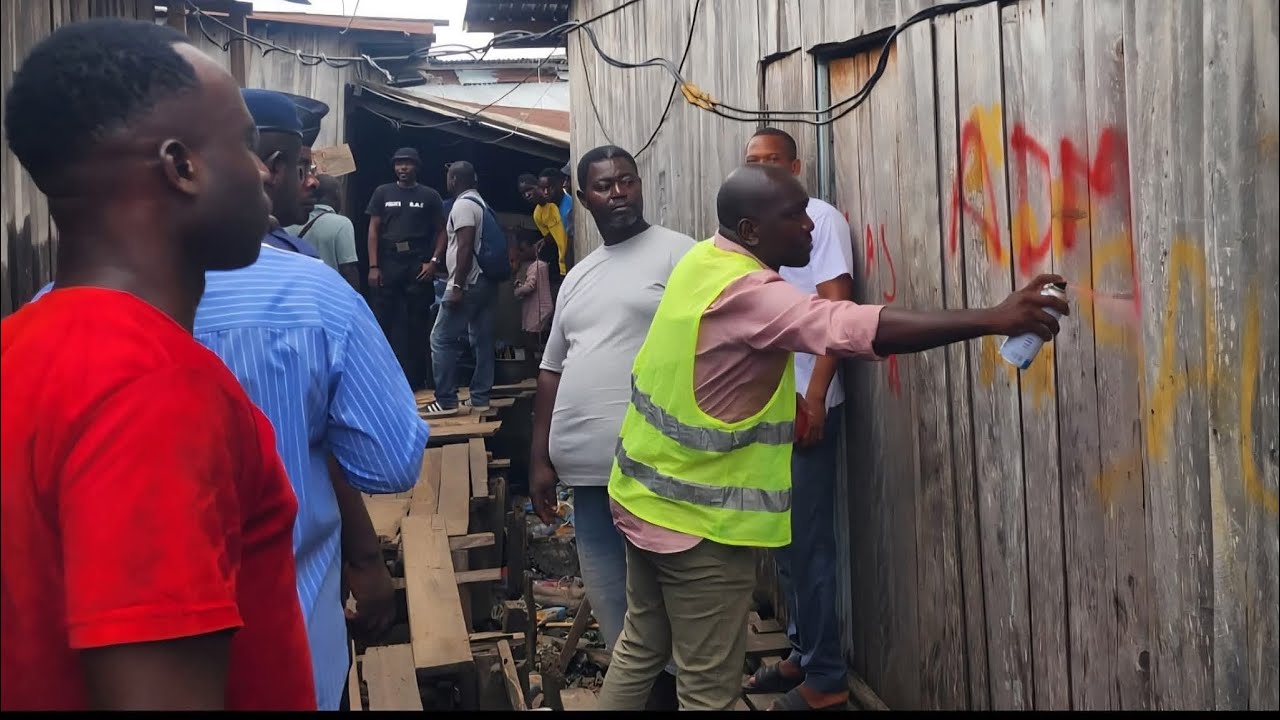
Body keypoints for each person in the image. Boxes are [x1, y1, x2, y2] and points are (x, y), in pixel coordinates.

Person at [595, 164, 1070, 711]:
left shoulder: (704, 261)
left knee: (640, 647)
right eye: (794, 216)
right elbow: (854, 328)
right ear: (751, 231)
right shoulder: (754, 294)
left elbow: (710, 366)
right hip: (698, 530)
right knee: (708, 691)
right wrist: (994, 317)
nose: (810, 227)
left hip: (642, 500)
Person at [1, 19, 314, 710]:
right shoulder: (156, 389)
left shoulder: (19, 349)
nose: (265, 172)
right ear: (182, 167)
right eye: (247, 145)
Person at [195, 89, 429, 711]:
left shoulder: (48, 319)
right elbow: (388, 461)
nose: (315, 178)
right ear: (264, 163)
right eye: (302, 165)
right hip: (290, 626)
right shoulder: (308, 294)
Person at [529, 145, 696, 711]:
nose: (618, 192)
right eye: (603, 185)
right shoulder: (578, 275)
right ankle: (649, 697)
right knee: (610, 601)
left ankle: (670, 693)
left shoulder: (681, 257)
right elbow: (551, 369)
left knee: (665, 599)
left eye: (627, 181)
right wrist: (539, 459)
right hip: (584, 471)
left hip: (654, 470)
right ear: (583, 197)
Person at [740, 127, 856, 710]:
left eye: (773, 161)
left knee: (807, 543)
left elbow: (837, 312)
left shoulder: (819, 219)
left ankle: (827, 677)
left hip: (806, 404)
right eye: (752, 162)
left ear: (796, 165)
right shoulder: (753, 229)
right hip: (768, 408)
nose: (764, 170)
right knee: (782, 542)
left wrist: (814, 397)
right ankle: (803, 649)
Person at [366, 147, 445, 389]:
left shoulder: (430, 196)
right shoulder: (382, 193)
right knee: (384, 321)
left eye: (408, 163)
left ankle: (415, 381)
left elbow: (442, 231)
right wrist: (373, 266)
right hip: (389, 262)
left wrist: (433, 261)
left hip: (417, 264)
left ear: (416, 167)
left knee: (417, 324)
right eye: (399, 163)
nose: (402, 168)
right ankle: (380, 379)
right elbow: (373, 230)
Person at [427, 160, 498, 415]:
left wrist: (456, 284)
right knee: (481, 339)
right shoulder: (482, 204)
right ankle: (480, 398)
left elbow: (465, 246)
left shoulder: (464, 205)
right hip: (485, 283)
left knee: (441, 338)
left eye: (449, 177)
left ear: (455, 179)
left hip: (467, 282)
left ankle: (445, 400)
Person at [288, 173, 359, 289]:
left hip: (297, 290)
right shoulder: (342, 223)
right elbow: (348, 269)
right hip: (329, 292)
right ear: (336, 194)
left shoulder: (290, 222)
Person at [512, 232, 554, 353]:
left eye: (523, 250)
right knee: (539, 341)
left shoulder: (535, 266)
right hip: (545, 308)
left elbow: (530, 286)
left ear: (535, 248)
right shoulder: (544, 265)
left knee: (532, 343)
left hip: (537, 311)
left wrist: (518, 290)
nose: (521, 253)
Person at [527, 169, 570, 277]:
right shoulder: (544, 210)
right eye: (543, 189)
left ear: (561, 184)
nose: (546, 192)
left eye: (550, 187)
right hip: (562, 267)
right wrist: (546, 239)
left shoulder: (571, 207)